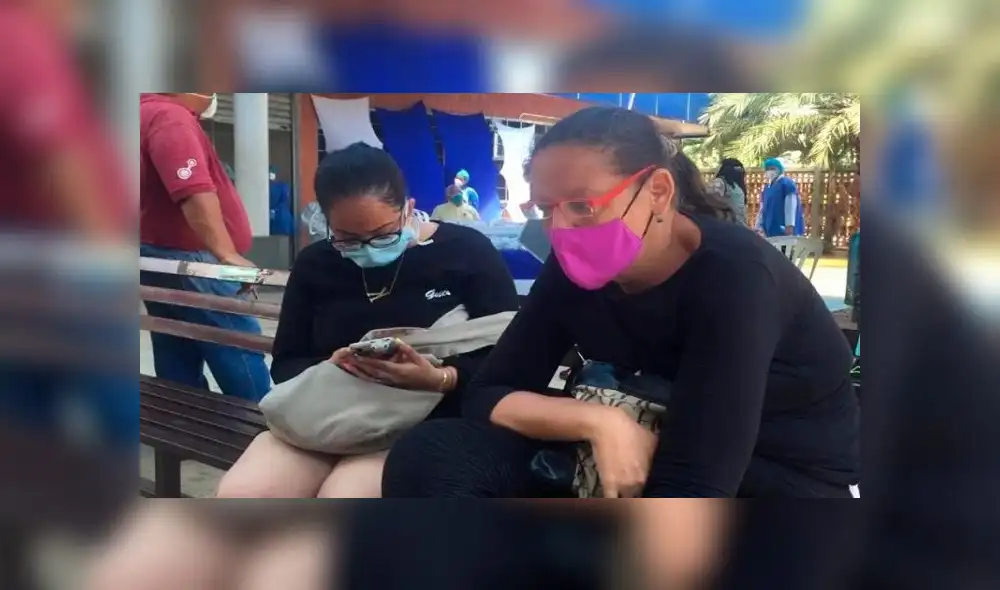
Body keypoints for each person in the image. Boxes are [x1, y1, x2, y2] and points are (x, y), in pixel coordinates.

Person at [382, 106, 860, 498]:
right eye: (546, 209)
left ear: (657, 191)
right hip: (633, 435)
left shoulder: (735, 277)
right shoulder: (573, 269)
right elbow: (489, 393)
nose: (560, 229)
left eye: (583, 205)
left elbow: (695, 483)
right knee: (432, 454)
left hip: (768, 472)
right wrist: (599, 422)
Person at [216, 142, 519, 498]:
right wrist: (329, 368)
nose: (368, 248)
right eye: (347, 239)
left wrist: (442, 378)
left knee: (345, 497)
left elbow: (510, 359)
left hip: (426, 417)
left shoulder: (465, 251)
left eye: (383, 235)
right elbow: (286, 362)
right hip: (329, 414)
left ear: (409, 208)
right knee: (242, 495)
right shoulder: (316, 263)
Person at [139, 93, 271, 402]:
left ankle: (183, 431)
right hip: (191, 258)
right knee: (237, 343)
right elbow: (192, 192)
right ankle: (263, 429)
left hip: (158, 253)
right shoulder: (169, 118)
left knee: (177, 346)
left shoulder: (141, 114)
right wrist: (227, 256)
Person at [756, 157, 804, 237]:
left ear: (779, 169)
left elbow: (791, 205)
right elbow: (762, 209)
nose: (770, 171)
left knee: (786, 249)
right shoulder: (767, 188)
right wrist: (758, 226)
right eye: (767, 169)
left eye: (772, 168)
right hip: (770, 231)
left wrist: (789, 225)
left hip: (785, 230)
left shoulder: (786, 183)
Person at [710, 158, 748, 226]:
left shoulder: (737, 186)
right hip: (726, 226)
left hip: (739, 226)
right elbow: (712, 202)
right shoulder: (719, 182)